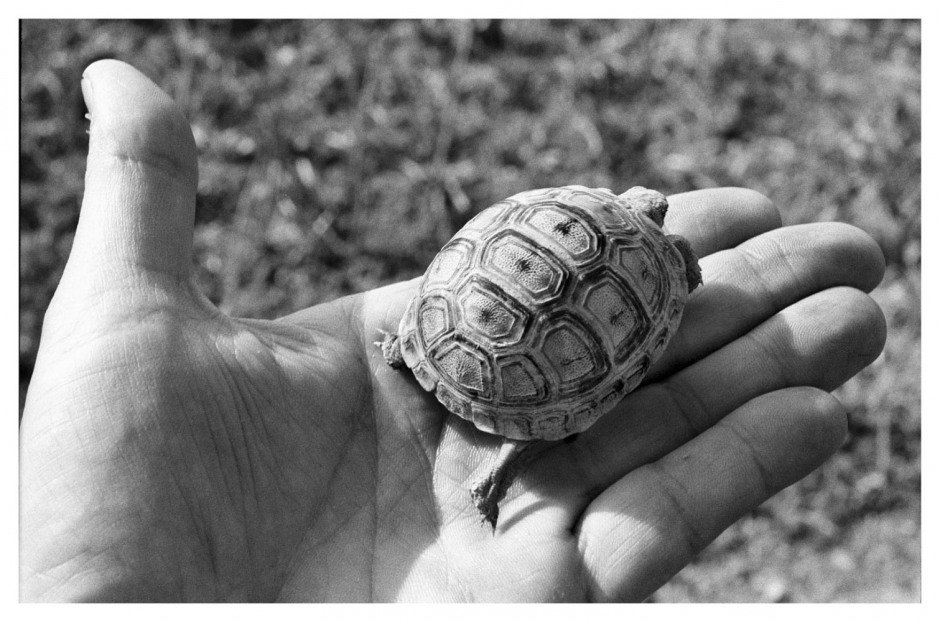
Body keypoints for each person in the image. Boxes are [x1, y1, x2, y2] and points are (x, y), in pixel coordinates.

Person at [19, 59, 887, 602]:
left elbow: (514, 223)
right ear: (649, 215)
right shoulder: (662, 265)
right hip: (534, 351)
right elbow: (664, 288)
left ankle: (425, 367)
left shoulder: (585, 209)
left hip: (440, 326)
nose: (656, 210)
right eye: (655, 214)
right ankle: (510, 452)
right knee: (585, 400)